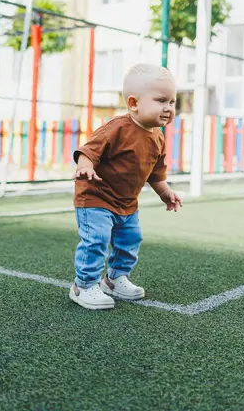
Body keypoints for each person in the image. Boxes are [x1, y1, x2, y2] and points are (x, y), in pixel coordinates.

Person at [69, 63, 182, 310]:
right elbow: (89, 150)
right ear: (133, 103)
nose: (168, 108)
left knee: (130, 239)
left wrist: (166, 193)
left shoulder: (158, 137)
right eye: (161, 100)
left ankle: (114, 278)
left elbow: (156, 174)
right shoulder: (117, 128)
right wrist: (85, 167)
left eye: (172, 102)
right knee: (96, 240)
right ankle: (84, 284)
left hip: (127, 203)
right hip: (96, 197)